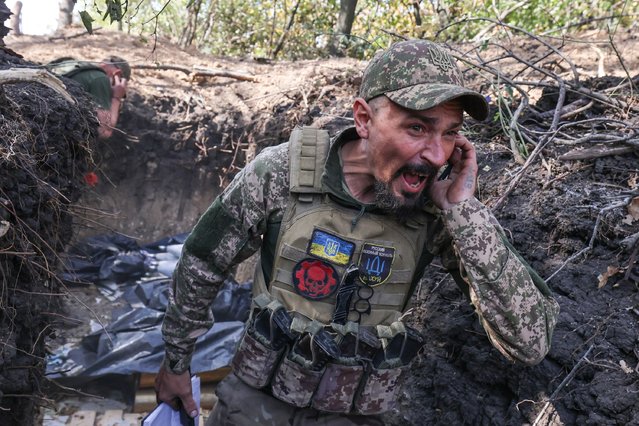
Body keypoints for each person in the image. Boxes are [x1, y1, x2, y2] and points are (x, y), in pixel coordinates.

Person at [155, 39, 560, 425]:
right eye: (417, 128)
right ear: (364, 119)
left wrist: (463, 213)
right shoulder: (280, 174)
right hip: (253, 403)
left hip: (354, 414)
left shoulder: (441, 209)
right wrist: (176, 360)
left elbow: (530, 343)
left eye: (450, 132)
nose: (437, 154)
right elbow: (203, 262)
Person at [46, 56, 130, 139]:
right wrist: (117, 97)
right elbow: (103, 131)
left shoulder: (71, 65)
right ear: (117, 74)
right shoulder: (100, 78)